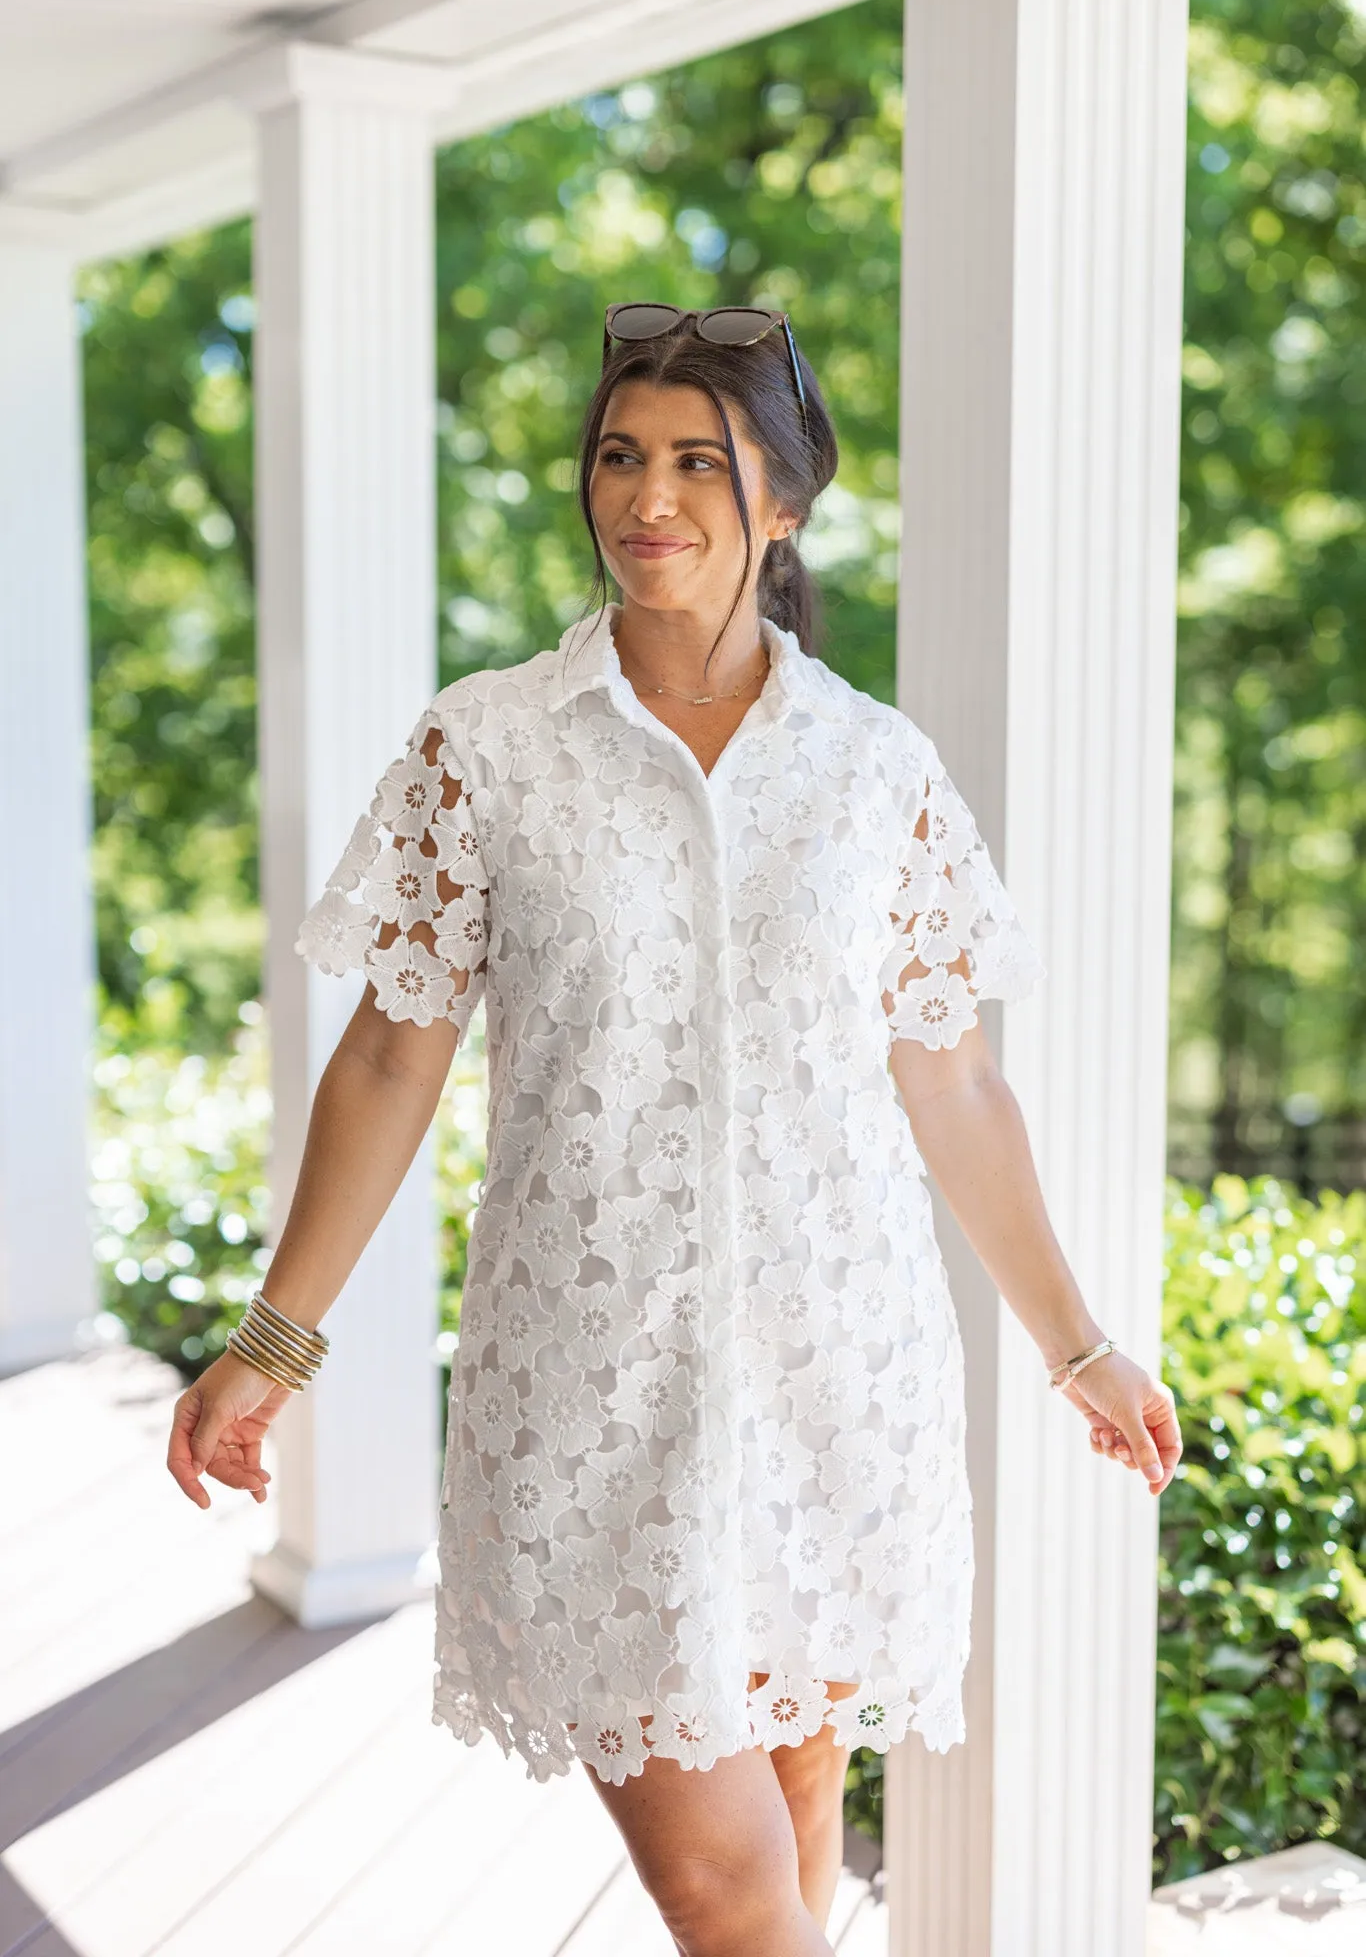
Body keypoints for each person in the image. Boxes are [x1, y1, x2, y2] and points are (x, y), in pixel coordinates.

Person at [167, 301, 1183, 1957]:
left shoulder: (877, 771)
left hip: (839, 1388)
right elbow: (385, 1062)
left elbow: (951, 1079)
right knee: (723, 1892)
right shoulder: (483, 747)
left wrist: (1079, 1350)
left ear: (781, 503)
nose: (650, 495)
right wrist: (274, 1342)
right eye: (620, 456)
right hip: (591, 1390)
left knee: (791, 1825)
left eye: (700, 464)